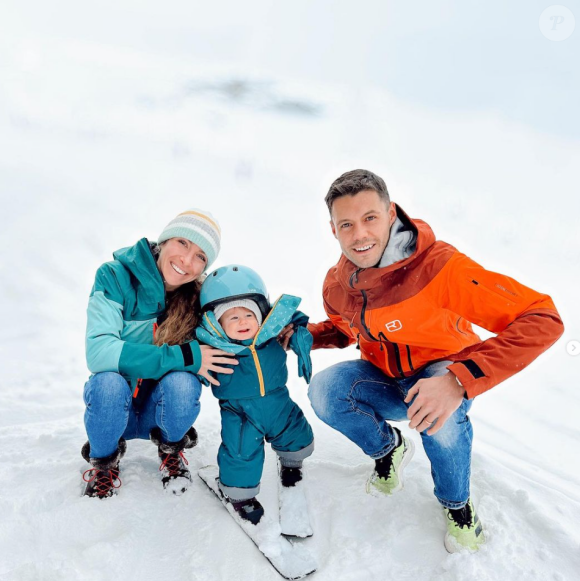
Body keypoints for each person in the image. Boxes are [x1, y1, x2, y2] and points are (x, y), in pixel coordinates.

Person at [306, 169, 564, 552]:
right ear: (333, 230)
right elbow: (347, 330)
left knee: (439, 422)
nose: (359, 234)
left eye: (370, 218)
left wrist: (458, 381)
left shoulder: (440, 268)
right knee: (324, 390)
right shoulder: (338, 283)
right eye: (347, 224)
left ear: (391, 213)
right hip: (386, 378)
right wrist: (304, 335)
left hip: (443, 374)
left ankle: (457, 506)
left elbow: (542, 319)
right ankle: (388, 450)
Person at [81, 209, 238, 498]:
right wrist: (184, 357)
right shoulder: (114, 276)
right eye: (183, 243)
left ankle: (170, 451)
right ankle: (104, 464)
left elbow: (240, 328)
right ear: (164, 241)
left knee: (184, 382)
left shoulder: (198, 298)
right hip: (117, 405)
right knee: (106, 384)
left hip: (160, 410)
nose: (187, 261)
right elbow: (100, 352)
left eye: (201, 257)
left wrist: (283, 330)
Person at [195, 265, 314, 529]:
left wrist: (299, 339)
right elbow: (191, 365)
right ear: (217, 325)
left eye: (248, 314)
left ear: (261, 315)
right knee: (240, 452)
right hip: (239, 413)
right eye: (232, 318)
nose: (243, 322)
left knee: (294, 432)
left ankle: (292, 463)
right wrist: (196, 364)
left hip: (277, 402)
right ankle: (241, 495)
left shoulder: (272, 335)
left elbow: (297, 324)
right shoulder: (213, 349)